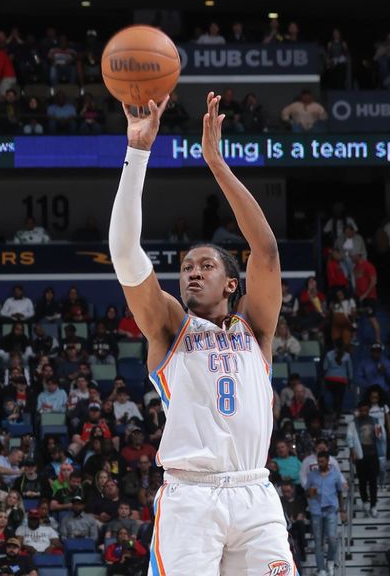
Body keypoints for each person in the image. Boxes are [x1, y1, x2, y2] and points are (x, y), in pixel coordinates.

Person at [106, 91, 294, 573]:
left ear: (231, 282)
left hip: (255, 493)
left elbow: (267, 250)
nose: (191, 272)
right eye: (186, 266)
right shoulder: (169, 327)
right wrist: (138, 150)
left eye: (205, 265)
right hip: (191, 497)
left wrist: (216, 164)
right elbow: (126, 254)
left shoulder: (256, 328)